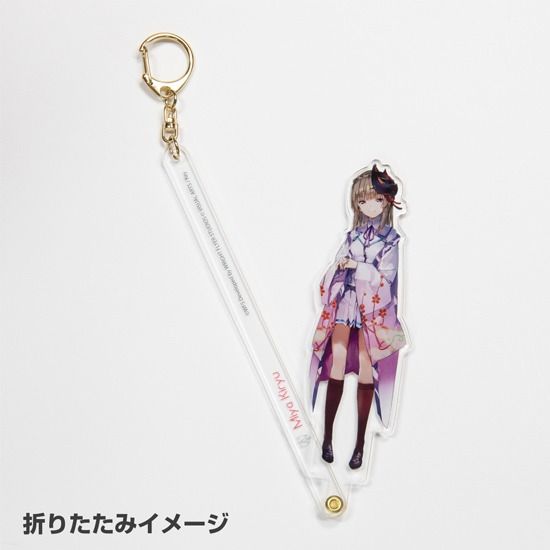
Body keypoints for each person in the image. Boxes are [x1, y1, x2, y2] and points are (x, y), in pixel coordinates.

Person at [309, 163, 407, 469]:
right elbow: (338, 262)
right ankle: (327, 438)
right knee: (337, 357)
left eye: (375, 199)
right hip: (346, 303)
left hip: (372, 312)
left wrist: (358, 267)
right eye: (362, 200)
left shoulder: (390, 240)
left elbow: (386, 278)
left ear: (386, 201)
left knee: (366, 364)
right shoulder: (352, 235)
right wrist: (340, 265)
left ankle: (359, 446)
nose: (369, 205)